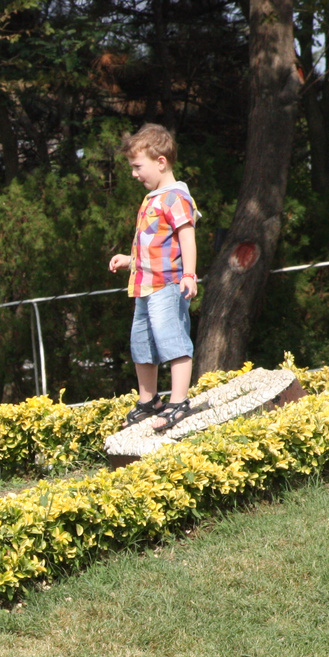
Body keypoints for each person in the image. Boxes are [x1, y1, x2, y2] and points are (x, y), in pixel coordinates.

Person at [107, 123, 201, 432]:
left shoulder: (175, 197)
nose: (134, 173)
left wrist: (189, 274)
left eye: (137, 167)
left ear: (160, 162)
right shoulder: (153, 198)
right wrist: (130, 259)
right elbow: (155, 246)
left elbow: (186, 237)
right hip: (144, 286)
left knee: (171, 339)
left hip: (167, 284)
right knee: (141, 344)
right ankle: (149, 400)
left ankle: (178, 401)